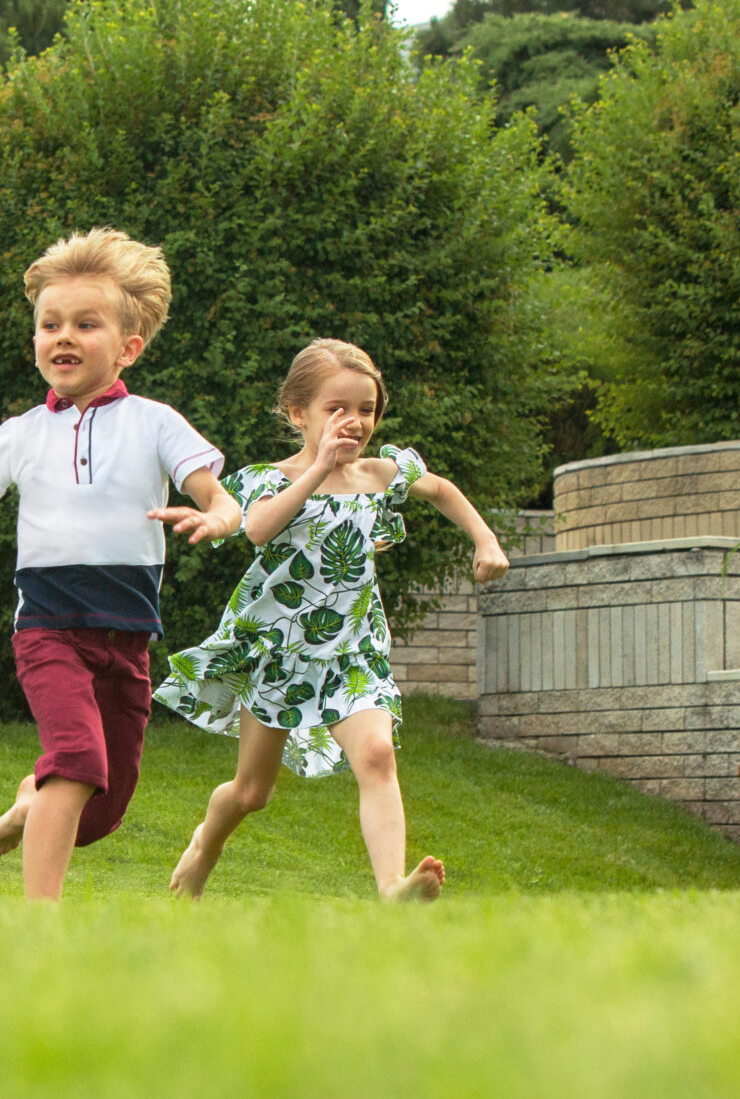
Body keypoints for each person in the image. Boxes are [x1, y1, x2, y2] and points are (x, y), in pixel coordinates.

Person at [0, 229, 239, 900]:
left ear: (127, 347)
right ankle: (40, 926)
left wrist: (218, 519)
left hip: (127, 637)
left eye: (86, 324)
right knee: (79, 761)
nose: (64, 337)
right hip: (48, 630)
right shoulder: (23, 433)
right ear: (34, 342)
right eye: (50, 324)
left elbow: (218, 497)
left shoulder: (156, 423)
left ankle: (31, 802)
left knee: (102, 810)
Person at [159, 338, 509, 901]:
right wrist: (319, 466)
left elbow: (441, 490)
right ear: (299, 413)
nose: (354, 421)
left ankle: (392, 887)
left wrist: (485, 539)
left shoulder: (381, 474)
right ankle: (205, 845)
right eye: (336, 409)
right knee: (251, 792)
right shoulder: (267, 480)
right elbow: (256, 529)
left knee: (376, 754)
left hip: (352, 647)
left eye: (365, 409)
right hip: (279, 648)